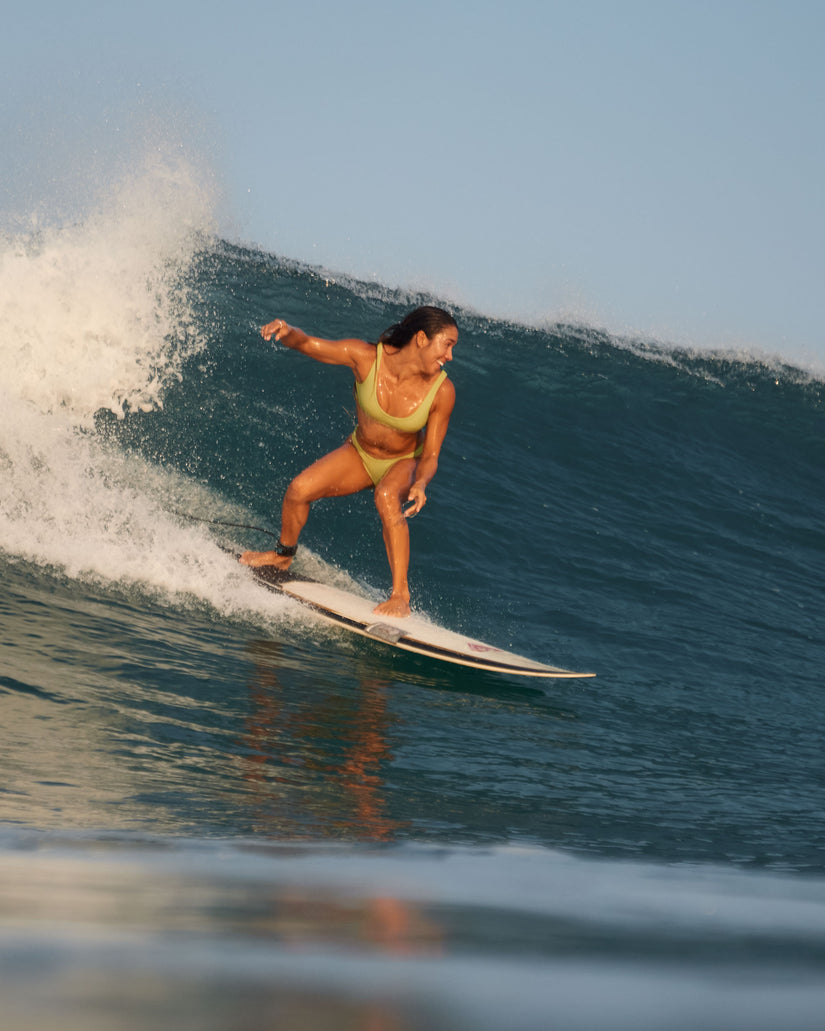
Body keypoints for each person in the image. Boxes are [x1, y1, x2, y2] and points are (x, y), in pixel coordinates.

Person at [240, 306, 458, 618]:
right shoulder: (366, 357)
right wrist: (287, 333)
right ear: (422, 338)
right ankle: (282, 556)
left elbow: (431, 455)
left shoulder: (442, 391)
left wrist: (421, 483)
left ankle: (400, 596)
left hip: (403, 462)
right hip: (360, 453)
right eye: (447, 344)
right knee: (299, 489)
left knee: (386, 497)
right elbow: (311, 344)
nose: (449, 356)